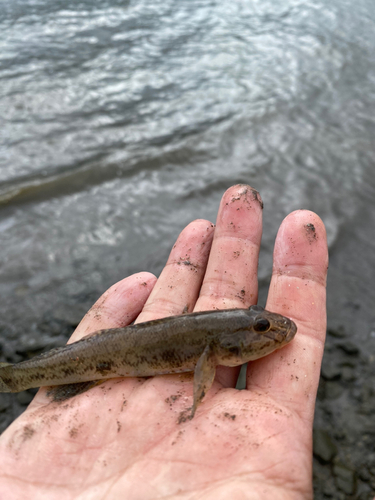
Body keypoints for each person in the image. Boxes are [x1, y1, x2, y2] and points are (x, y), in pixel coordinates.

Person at [0, 185, 328, 499]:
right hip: (93, 360)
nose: (272, 331)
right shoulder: (212, 347)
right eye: (261, 325)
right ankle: (13, 378)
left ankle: (16, 376)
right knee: (45, 371)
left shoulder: (212, 346)